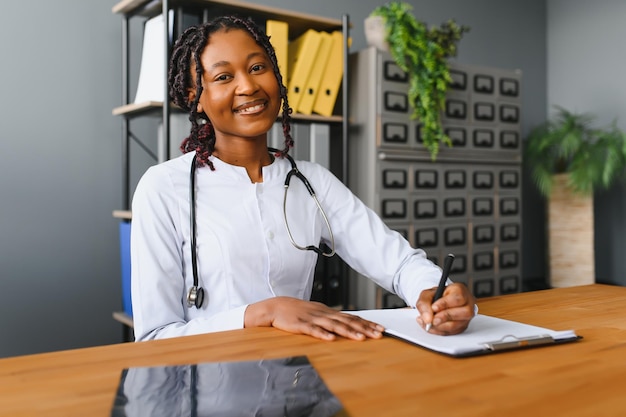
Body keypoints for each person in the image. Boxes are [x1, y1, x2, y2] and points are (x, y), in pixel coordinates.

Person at [130, 15, 475, 343]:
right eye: (223, 77)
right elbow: (154, 336)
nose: (248, 86)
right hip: (207, 389)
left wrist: (436, 293)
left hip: (298, 381)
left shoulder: (312, 181)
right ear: (195, 97)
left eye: (257, 68)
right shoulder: (163, 188)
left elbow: (398, 263)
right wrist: (263, 312)